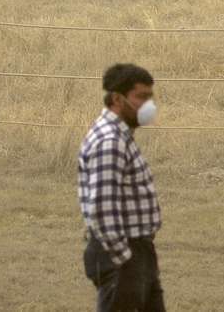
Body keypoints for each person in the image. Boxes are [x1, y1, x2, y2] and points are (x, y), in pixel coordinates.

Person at [78, 63, 165, 311]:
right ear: (118, 98)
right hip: (122, 253)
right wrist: (125, 260)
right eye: (141, 97)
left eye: (150, 97)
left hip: (137, 250)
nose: (148, 106)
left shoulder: (120, 136)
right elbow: (102, 209)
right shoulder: (110, 142)